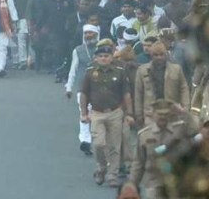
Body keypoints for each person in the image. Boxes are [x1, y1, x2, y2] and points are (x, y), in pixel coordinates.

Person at [80, 44, 134, 187]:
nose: (104, 58)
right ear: (96, 58)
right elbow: (84, 93)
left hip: (115, 112)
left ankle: (112, 174)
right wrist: (84, 113)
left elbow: (126, 94)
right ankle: (101, 167)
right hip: (97, 113)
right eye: (101, 56)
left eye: (106, 56)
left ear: (111, 58)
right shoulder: (90, 72)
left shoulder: (120, 72)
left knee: (115, 146)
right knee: (99, 144)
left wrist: (129, 114)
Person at [130, 99, 188, 199]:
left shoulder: (179, 129)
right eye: (160, 114)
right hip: (154, 181)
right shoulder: (144, 135)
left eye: (166, 114)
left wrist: (183, 112)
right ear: (153, 114)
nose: (163, 117)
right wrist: (132, 185)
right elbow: (139, 162)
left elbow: (196, 129)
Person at [133, 42, 189, 126]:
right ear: (151, 55)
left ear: (166, 54)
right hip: (151, 114)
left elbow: (184, 89)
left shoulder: (176, 69)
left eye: (161, 54)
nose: (159, 57)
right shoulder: (142, 70)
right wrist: (138, 114)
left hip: (172, 113)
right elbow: (138, 93)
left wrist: (185, 108)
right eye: (156, 55)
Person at [66, 23, 101, 156]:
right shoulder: (78, 50)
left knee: (96, 114)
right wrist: (69, 87)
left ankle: (97, 139)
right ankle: (85, 140)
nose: (88, 35)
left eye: (90, 33)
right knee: (84, 112)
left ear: (96, 34)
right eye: (86, 33)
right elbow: (73, 69)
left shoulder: (103, 49)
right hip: (82, 87)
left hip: (100, 87)